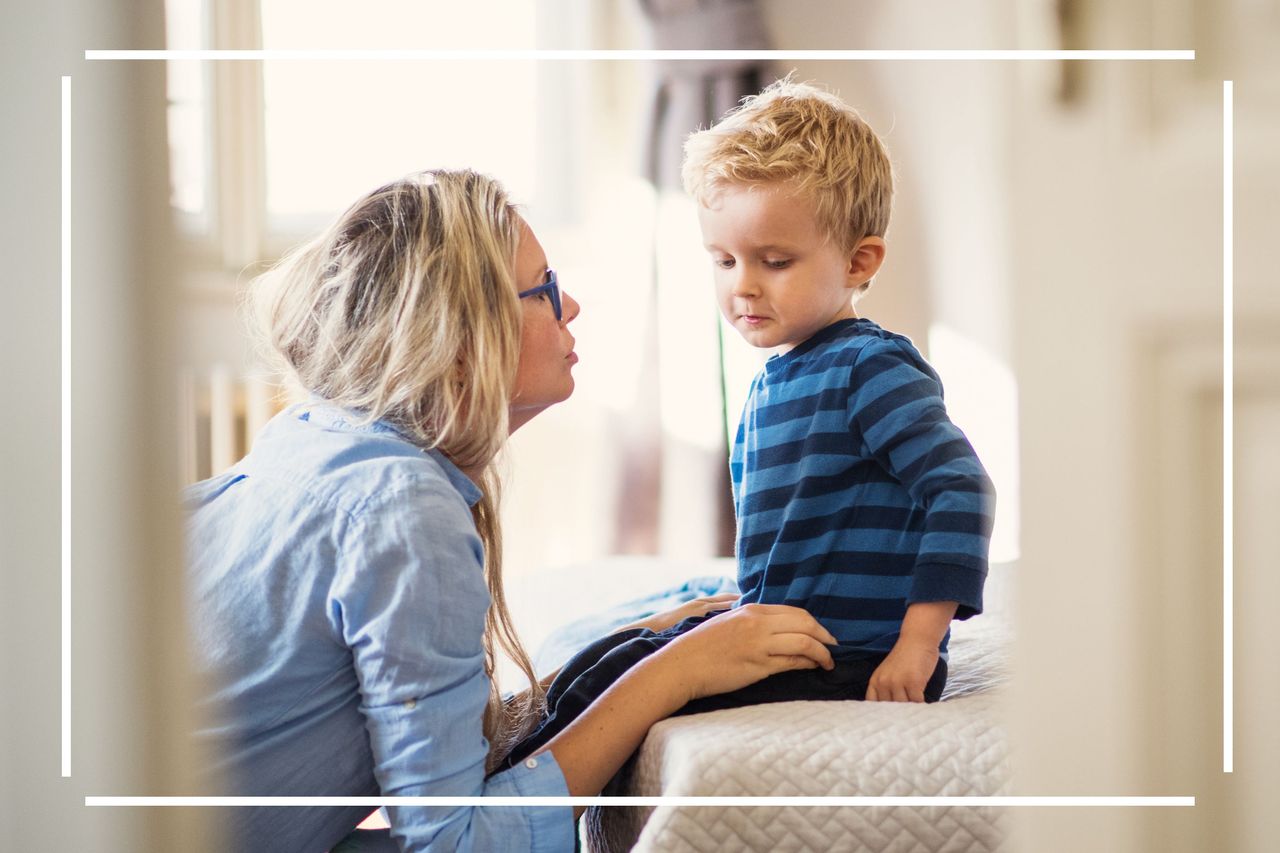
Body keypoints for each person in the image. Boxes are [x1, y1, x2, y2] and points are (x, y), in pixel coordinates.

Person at [183, 169, 838, 852]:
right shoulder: (402, 509)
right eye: (545, 290)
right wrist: (677, 672)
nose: (572, 306)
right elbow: (455, 840)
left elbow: (441, 752)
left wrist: (635, 646)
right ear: (461, 344)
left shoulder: (311, 438)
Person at [683, 77, 996, 703]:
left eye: (774, 261)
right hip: (792, 641)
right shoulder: (772, 384)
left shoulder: (868, 368)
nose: (742, 286)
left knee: (642, 684)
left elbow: (962, 490)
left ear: (858, 263)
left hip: (852, 655)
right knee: (626, 655)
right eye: (724, 260)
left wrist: (917, 645)